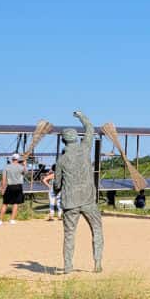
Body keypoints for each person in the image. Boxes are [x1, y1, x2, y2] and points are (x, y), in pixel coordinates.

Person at [53, 110, 104, 274]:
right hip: (88, 199)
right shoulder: (85, 149)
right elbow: (90, 129)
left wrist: (56, 188)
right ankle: (97, 263)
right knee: (97, 229)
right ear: (76, 138)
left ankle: (68, 266)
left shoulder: (61, 160)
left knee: (69, 235)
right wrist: (81, 116)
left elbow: (57, 183)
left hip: (70, 202)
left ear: (63, 141)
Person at [0, 153, 25, 225]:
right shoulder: (20, 167)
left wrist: (3, 188)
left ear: (12, 159)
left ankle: (0, 220)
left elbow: (3, 179)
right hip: (18, 186)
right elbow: (25, 172)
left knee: (5, 203)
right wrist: (24, 164)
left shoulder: (6, 167)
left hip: (10, 186)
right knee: (15, 203)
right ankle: (12, 219)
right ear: (18, 159)